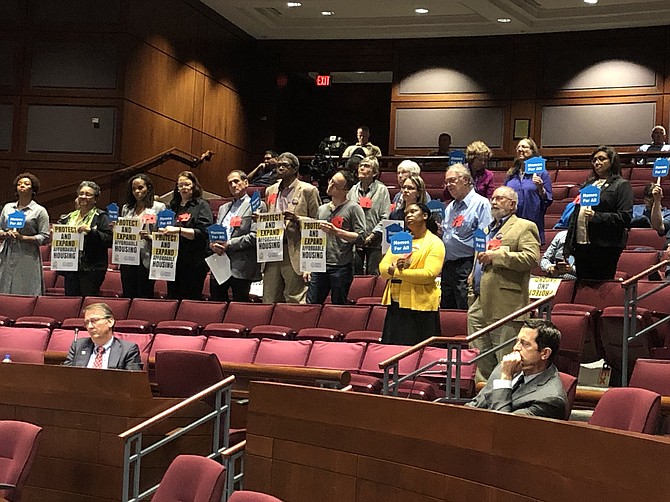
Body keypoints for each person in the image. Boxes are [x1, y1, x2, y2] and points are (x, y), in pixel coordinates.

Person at [468, 186, 540, 382]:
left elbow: (532, 258)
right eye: (493, 198)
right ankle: (483, 393)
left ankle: (506, 395)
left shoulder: (524, 226)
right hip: (479, 301)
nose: (494, 201)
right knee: (479, 354)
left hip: (507, 303)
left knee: (506, 356)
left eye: (500, 198)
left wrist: (497, 256)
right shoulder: (485, 229)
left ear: (513, 205)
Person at [465, 319, 567, 420]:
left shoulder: (551, 399)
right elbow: (475, 404)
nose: (515, 348)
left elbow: (503, 426)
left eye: (525, 344)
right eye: (517, 341)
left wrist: (505, 378)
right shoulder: (505, 367)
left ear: (545, 353)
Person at [379, 203, 445, 346]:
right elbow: (383, 269)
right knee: (393, 350)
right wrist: (395, 270)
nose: (408, 215)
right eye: (406, 213)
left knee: (420, 352)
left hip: (421, 307)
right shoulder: (401, 239)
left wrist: (397, 272)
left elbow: (428, 274)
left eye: (413, 212)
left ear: (425, 216)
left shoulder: (435, 243)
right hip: (396, 304)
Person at [564, 146, 633, 281]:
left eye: (601, 159)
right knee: (583, 285)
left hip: (605, 246)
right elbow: (576, 215)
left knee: (601, 286)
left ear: (612, 161)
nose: (597, 162)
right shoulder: (587, 185)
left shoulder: (621, 185)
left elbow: (625, 217)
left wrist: (597, 217)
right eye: (594, 160)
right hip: (582, 245)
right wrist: (568, 246)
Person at [263, 152, 320, 303]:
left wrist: (297, 219)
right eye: (278, 165)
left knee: (294, 297)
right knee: (269, 298)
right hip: (272, 248)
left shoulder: (308, 190)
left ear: (295, 169)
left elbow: (317, 223)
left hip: (294, 248)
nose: (280, 168)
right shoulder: (270, 190)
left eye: (285, 165)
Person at [306, 171, 365, 304]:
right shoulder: (322, 209)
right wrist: (308, 266)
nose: (330, 185)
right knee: (312, 305)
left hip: (341, 266)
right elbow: (314, 238)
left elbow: (361, 237)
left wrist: (337, 232)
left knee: (339, 305)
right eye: (331, 181)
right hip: (319, 265)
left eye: (335, 184)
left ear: (345, 190)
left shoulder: (354, 208)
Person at [441, 164, 492, 310]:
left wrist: (475, 271)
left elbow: (483, 241)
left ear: (465, 180)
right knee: (447, 310)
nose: (448, 185)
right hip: (449, 265)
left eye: (452, 181)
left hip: (467, 265)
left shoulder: (481, 204)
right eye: (447, 182)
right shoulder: (450, 207)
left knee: (464, 310)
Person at [209, 170, 265, 302]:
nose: (233, 185)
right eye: (230, 183)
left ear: (246, 183)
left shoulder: (257, 205)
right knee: (216, 302)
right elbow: (215, 232)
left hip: (241, 264)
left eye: (236, 181)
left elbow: (255, 235)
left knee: (239, 305)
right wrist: (212, 244)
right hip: (220, 262)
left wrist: (229, 244)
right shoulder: (223, 208)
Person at [162, 171, 213, 300]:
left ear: (194, 186)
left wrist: (178, 230)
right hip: (173, 261)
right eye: (180, 185)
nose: (184, 188)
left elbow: (204, 232)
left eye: (187, 184)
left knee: (189, 300)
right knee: (172, 298)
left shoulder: (202, 205)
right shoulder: (172, 207)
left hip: (194, 262)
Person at [58, 181, 113, 297]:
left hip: (91, 269)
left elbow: (109, 239)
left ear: (95, 199)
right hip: (70, 267)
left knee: (87, 301)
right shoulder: (69, 217)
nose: (84, 197)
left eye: (88, 194)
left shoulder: (101, 216)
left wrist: (91, 232)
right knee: (71, 301)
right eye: (81, 193)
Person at [0, 173, 50, 295]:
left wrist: (24, 237)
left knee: (25, 286)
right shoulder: (8, 207)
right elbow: (0, 228)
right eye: (19, 184)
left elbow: (44, 236)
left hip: (28, 253)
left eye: (26, 184)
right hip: (8, 251)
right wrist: (5, 233)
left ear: (33, 189)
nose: (22, 185)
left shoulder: (39, 210)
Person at [119, 174, 166, 299]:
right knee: (128, 294)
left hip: (146, 256)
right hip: (128, 257)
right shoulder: (126, 208)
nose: (137, 191)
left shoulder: (159, 207)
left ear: (148, 188)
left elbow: (165, 235)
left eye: (140, 188)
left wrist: (150, 237)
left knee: (143, 295)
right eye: (134, 189)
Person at [63, 302, 142, 370]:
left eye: (94, 321)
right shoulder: (78, 346)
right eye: (87, 322)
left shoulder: (128, 350)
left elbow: (132, 383)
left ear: (110, 322)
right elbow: (66, 376)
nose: (90, 326)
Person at [346, 155, 390, 275]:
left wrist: (371, 236)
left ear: (375, 173)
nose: (362, 168)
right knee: (356, 274)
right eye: (361, 166)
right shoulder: (352, 190)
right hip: (356, 241)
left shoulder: (382, 190)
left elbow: (385, 216)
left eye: (367, 166)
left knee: (373, 273)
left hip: (375, 240)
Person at [504, 138, 552, 244]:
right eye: (518, 147)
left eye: (524, 147)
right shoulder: (511, 174)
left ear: (532, 151)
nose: (520, 149)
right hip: (511, 225)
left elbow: (548, 200)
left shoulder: (541, 173)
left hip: (532, 222)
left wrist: (541, 188)